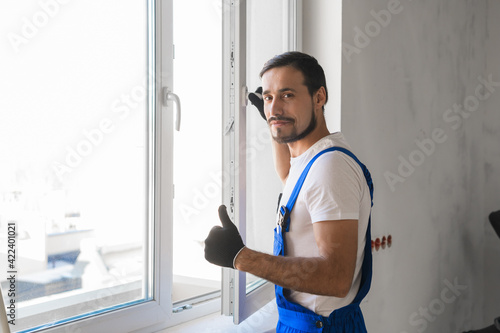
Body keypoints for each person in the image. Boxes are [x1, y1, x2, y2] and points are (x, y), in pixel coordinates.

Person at [204, 51, 374, 333]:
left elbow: (336, 277)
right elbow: (291, 178)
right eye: (269, 98)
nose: (274, 108)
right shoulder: (311, 159)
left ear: (319, 98)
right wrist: (276, 123)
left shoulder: (330, 168)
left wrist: (240, 256)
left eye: (287, 95)